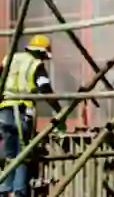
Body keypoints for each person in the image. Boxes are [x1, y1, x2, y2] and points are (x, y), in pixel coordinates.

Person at [0, 35, 63, 197]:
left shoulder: (9, 59)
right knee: (23, 154)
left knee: (9, 155)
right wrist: (59, 111)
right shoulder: (36, 65)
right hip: (21, 113)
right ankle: (18, 192)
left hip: (4, 112)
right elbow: (45, 89)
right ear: (42, 52)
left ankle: (4, 190)